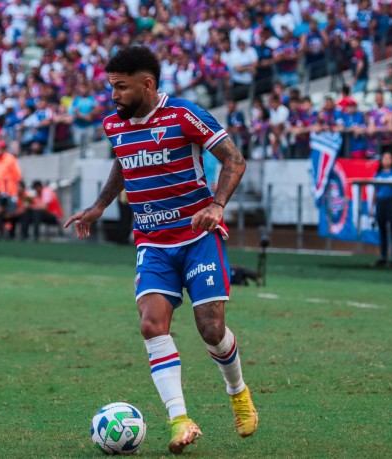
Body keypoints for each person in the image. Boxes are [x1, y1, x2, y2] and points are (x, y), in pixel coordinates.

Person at [64, 46, 257, 454]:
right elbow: (124, 161)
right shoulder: (114, 125)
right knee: (151, 325)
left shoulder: (184, 115)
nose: (113, 94)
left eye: (120, 86)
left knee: (212, 330)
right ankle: (180, 420)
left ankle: (237, 391)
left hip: (198, 238)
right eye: (110, 86)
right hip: (152, 241)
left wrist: (216, 205)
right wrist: (99, 206)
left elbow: (234, 160)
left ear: (147, 84)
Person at [370, 151, 392, 267]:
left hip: (391, 202)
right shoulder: (378, 174)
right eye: (384, 158)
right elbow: (375, 191)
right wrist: (372, 206)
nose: (386, 160)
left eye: (389, 158)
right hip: (381, 203)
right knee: (382, 231)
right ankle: (383, 256)